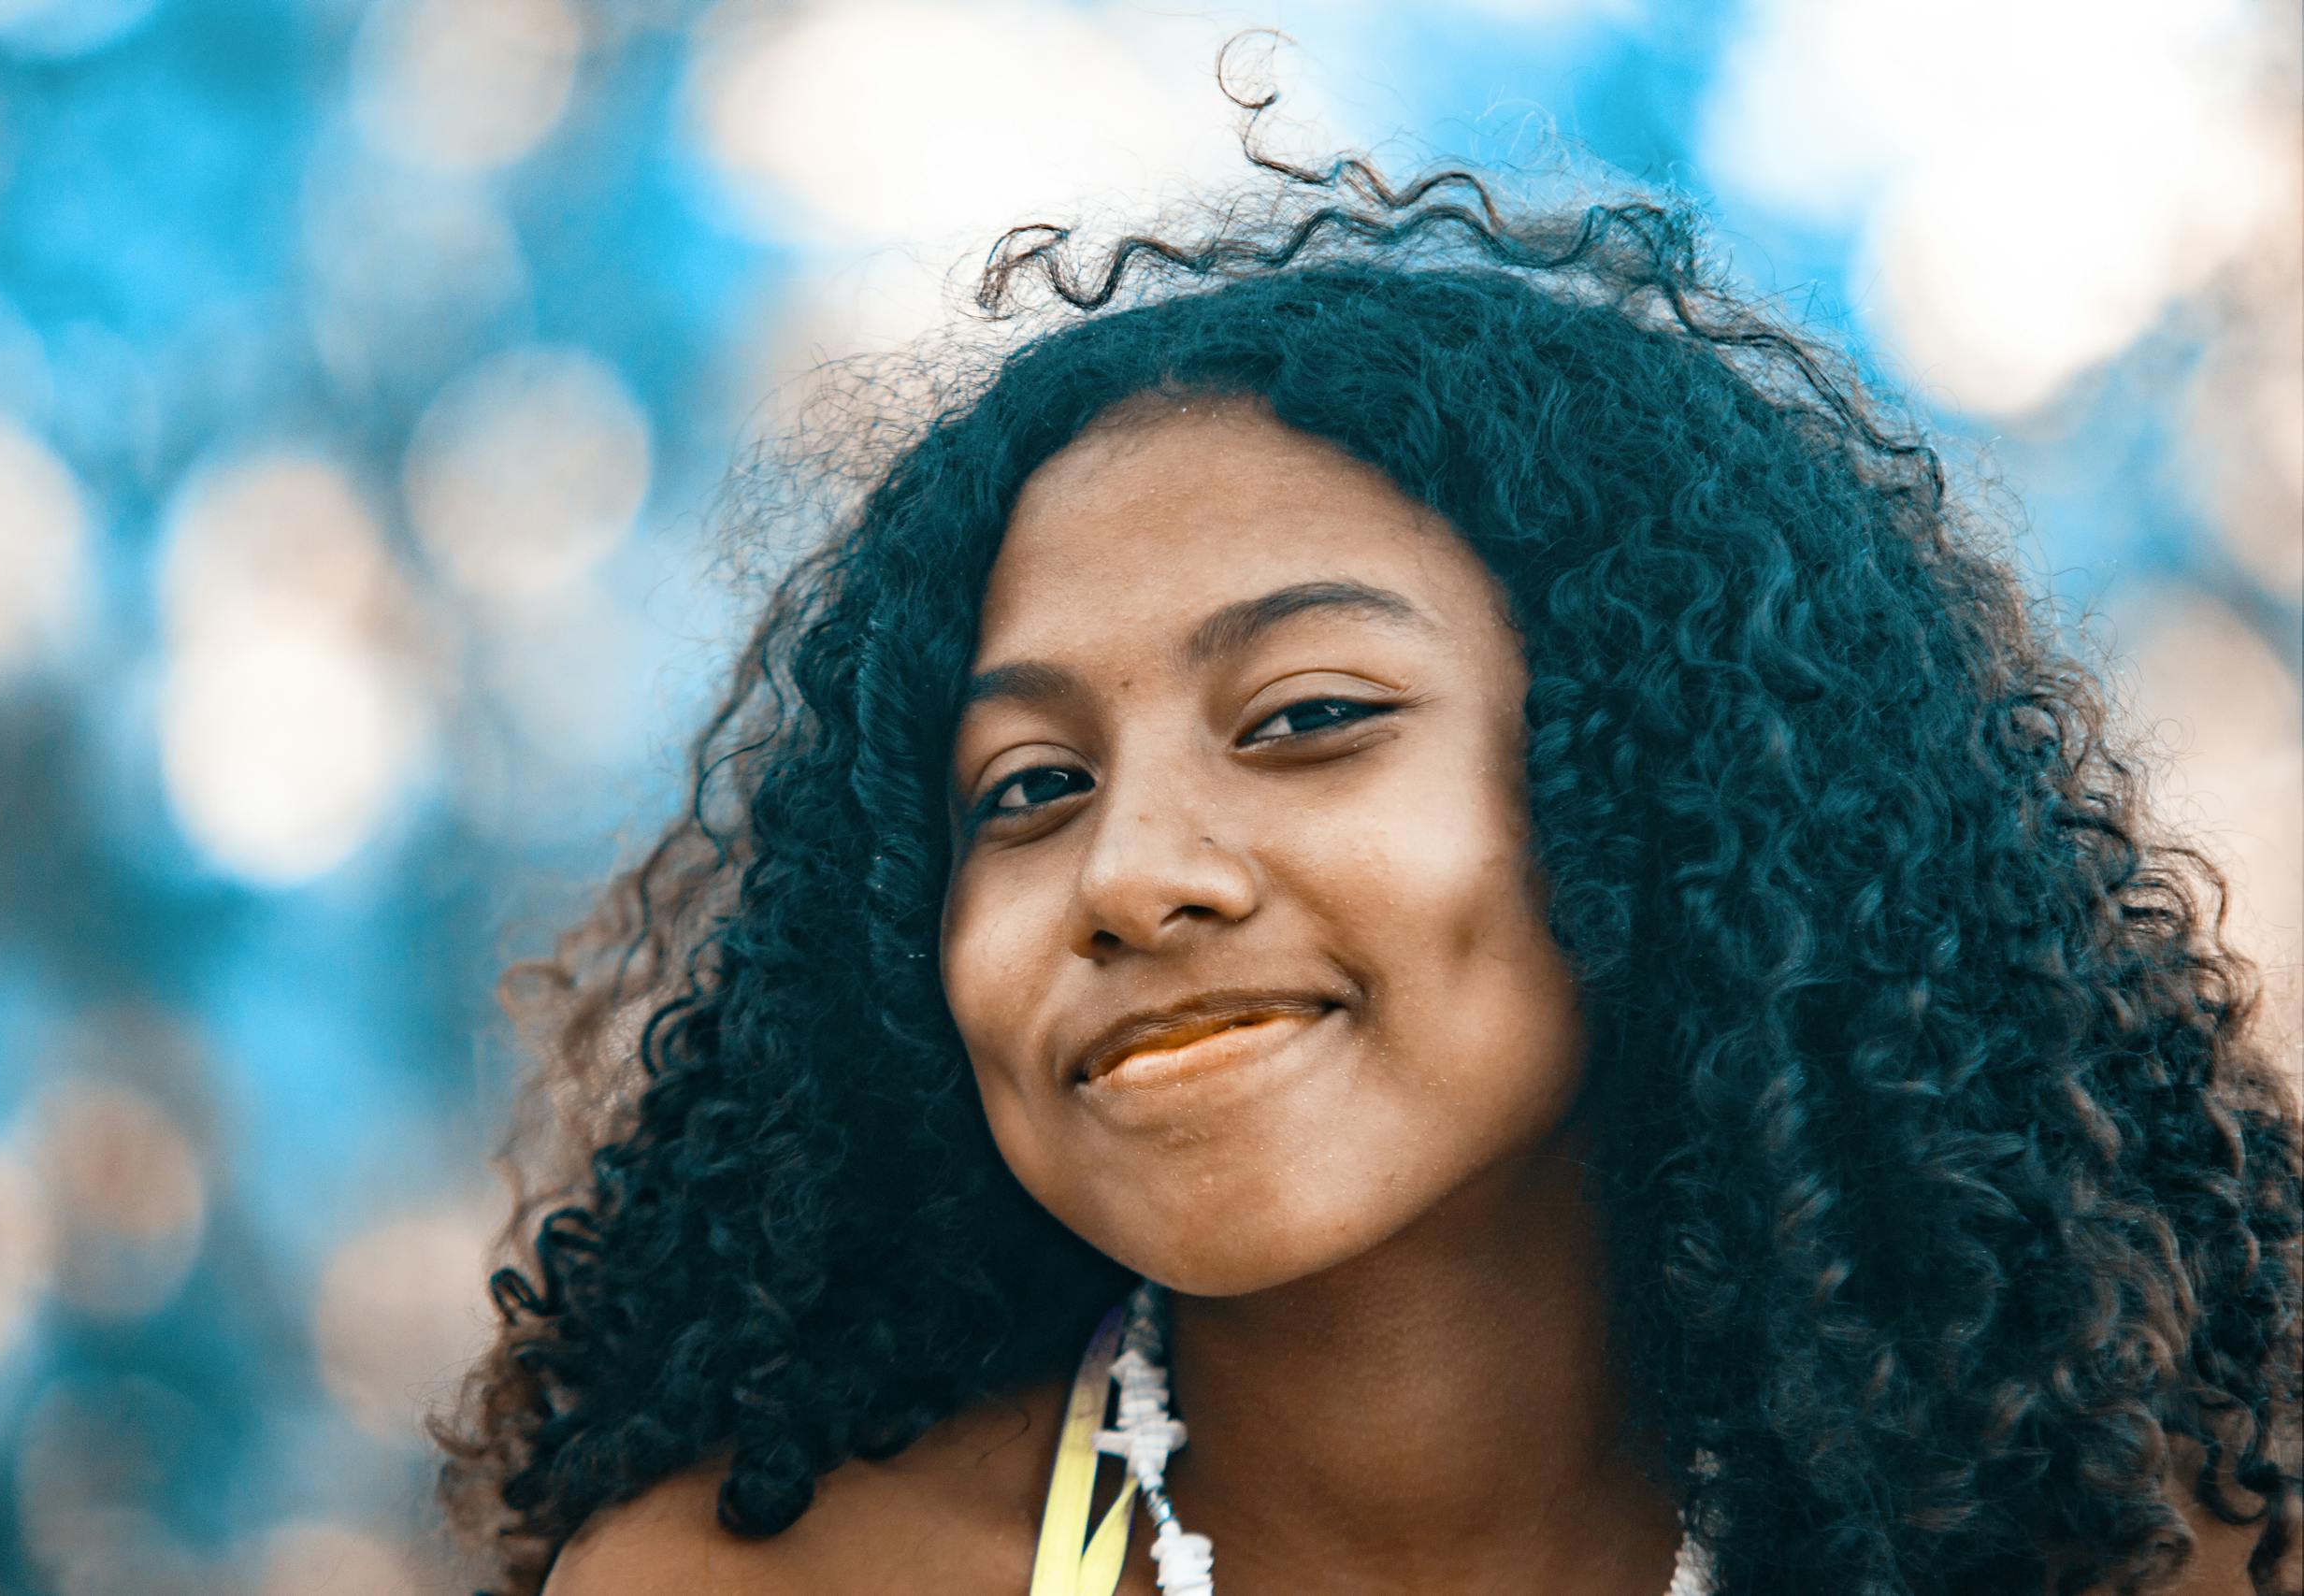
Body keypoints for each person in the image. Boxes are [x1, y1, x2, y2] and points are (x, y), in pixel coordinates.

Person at [431, 101, 2301, 1596]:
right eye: (1025, 787)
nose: (1131, 870)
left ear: (1650, 785)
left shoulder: (2166, 1557)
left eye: (1306, 716)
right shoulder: (754, 1583)